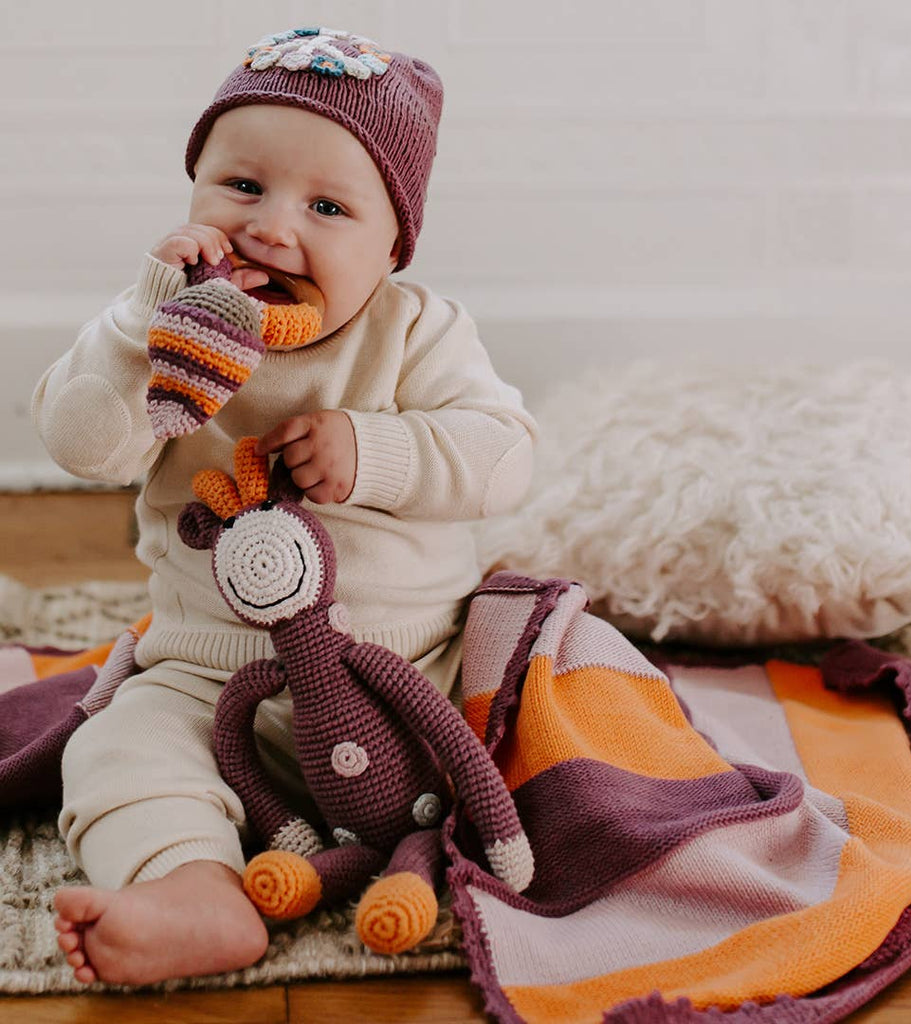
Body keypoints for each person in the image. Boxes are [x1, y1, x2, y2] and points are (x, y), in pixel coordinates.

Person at [32, 27, 535, 987]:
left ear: (392, 249)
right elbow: (82, 446)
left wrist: (378, 450)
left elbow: (506, 455)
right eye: (242, 187)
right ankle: (192, 890)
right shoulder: (164, 331)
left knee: (538, 719)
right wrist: (142, 325)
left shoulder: (416, 331)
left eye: (329, 207)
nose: (272, 227)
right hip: (206, 678)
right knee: (115, 750)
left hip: (402, 681)